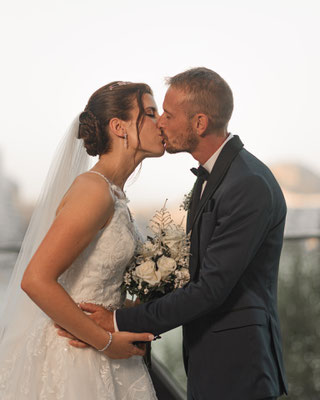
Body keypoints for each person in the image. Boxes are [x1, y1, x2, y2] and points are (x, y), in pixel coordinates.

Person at [60, 68, 289, 400]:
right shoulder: (215, 177)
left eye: (167, 114)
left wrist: (119, 321)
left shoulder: (247, 184)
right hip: (211, 361)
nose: (161, 123)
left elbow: (210, 288)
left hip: (240, 365)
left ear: (199, 123)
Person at [0, 81, 164, 399]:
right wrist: (105, 343)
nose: (161, 122)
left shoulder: (115, 194)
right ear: (119, 127)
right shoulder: (94, 191)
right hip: (77, 357)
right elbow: (35, 279)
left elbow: (95, 282)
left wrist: (134, 310)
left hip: (105, 347)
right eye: (150, 113)